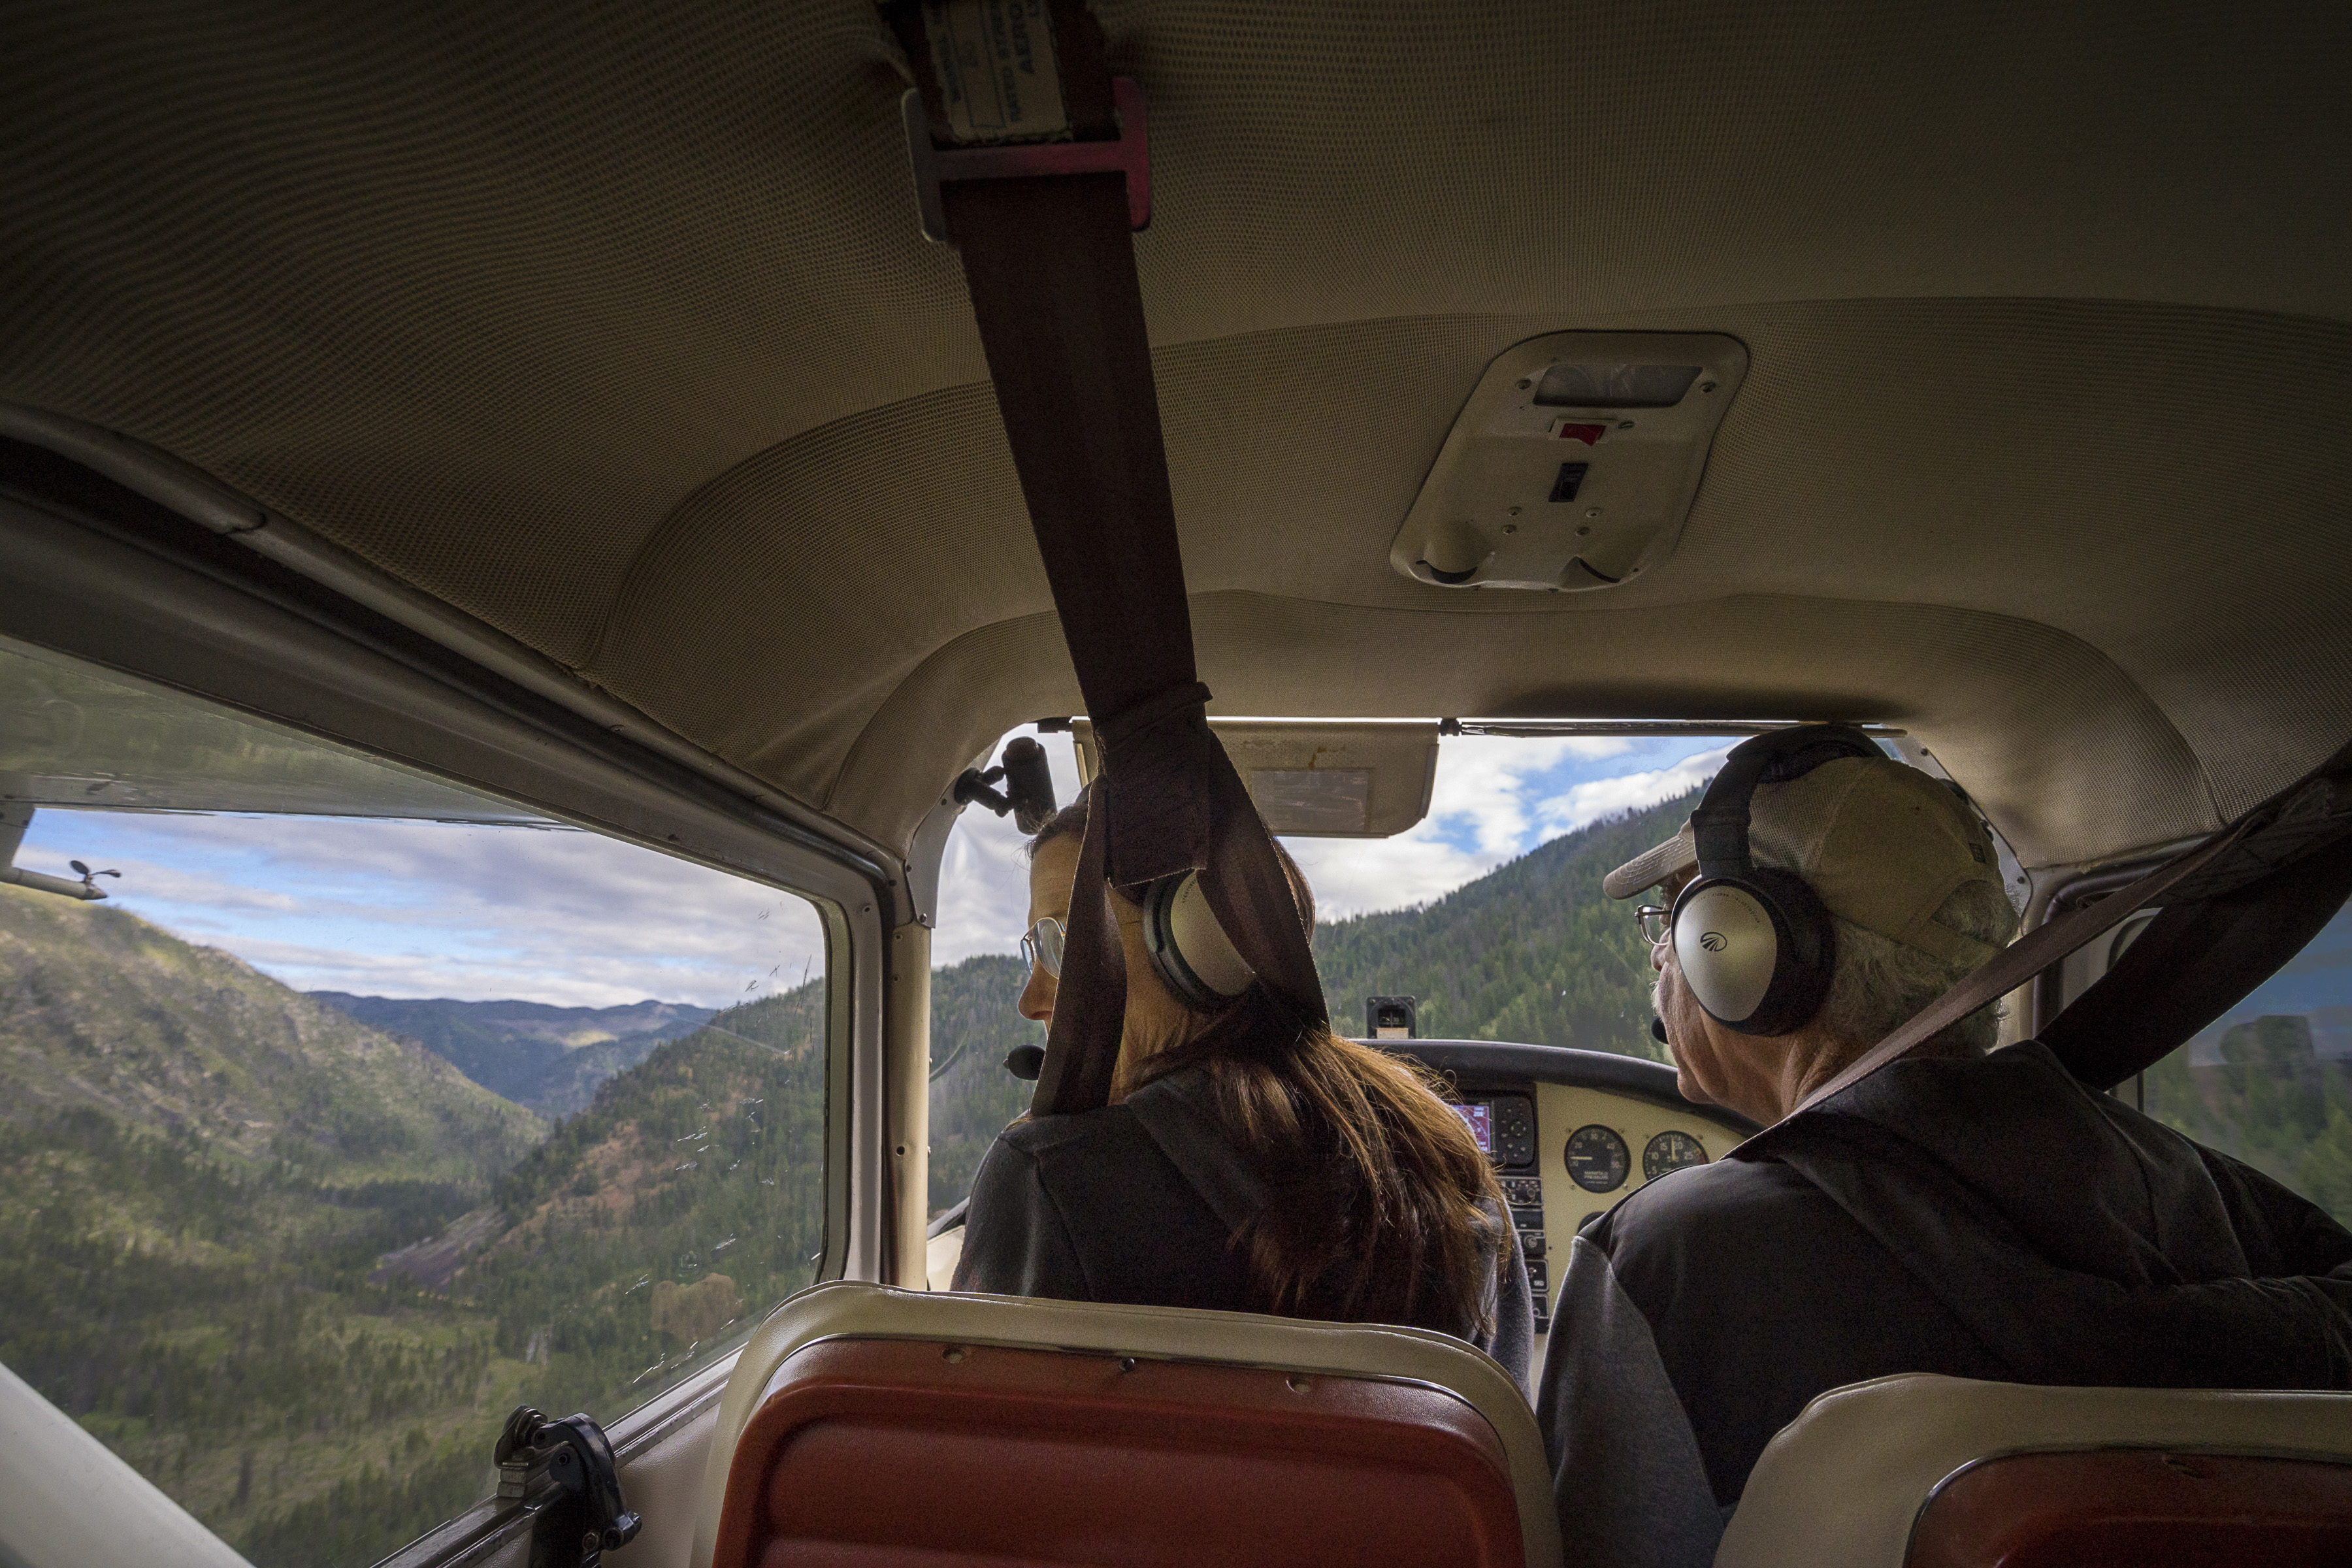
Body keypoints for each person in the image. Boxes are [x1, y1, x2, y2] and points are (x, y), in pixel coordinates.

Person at [1538, 728, 2352, 1568]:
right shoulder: (2187, 1180)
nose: (1662, 959)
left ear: (1744, 956)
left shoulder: (1670, 1257)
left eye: (1674, 924)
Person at [953, 787, 1534, 1386]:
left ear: (1197, 940)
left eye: (1063, 945)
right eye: (1036, 951)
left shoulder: (1048, 1180)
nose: (1033, 1000)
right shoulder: (1446, 1162)